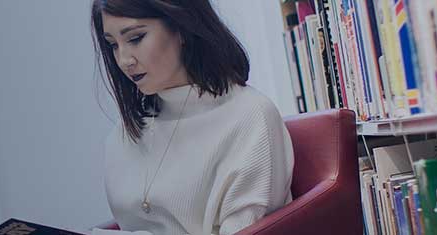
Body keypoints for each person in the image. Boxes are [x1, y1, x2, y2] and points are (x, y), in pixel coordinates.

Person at [90, 0, 294, 234]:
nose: (125, 60)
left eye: (136, 39)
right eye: (113, 45)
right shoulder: (123, 135)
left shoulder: (250, 116)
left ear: (182, 27)